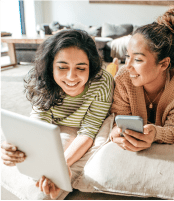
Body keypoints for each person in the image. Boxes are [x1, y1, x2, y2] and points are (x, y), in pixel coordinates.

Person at [1, 29, 114, 199]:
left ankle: (115, 66)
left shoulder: (102, 82)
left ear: (90, 68)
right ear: (51, 66)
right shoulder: (42, 80)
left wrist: (58, 167)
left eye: (81, 68)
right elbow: (38, 125)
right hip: (53, 123)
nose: (71, 77)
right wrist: (15, 149)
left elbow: (88, 131)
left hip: (83, 128)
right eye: (62, 67)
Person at [110, 6, 174, 152]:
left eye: (137, 59)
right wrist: (115, 132)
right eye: (127, 56)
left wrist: (156, 133)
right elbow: (117, 119)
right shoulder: (123, 77)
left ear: (163, 64)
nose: (128, 66)